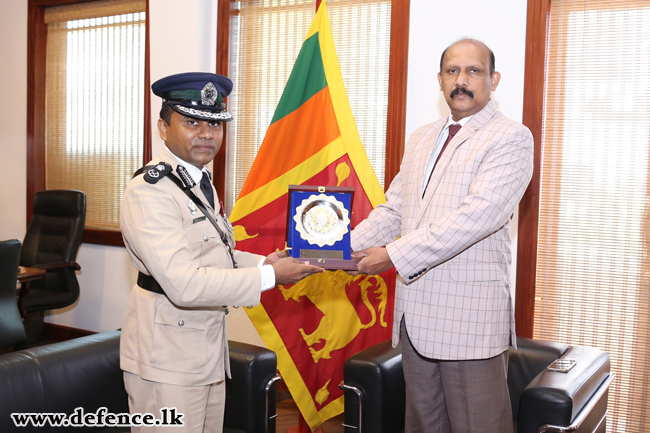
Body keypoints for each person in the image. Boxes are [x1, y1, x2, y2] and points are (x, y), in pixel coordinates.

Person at [119, 72, 324, 433]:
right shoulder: (150, 191)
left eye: (215, 124)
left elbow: (213, 253)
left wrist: (265, 262)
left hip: (205, 348)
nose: (206, 134)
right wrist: (272, 277)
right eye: (191, 122)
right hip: (165, 357)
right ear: (163, 128)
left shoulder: (198, 181)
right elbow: (184, 283)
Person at [351, 39, 534, 432]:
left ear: (493, 80)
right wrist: (333, 249)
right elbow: (395, 209)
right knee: (422, 425)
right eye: (453, 71)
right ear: (439, 79)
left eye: (474, 71)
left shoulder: (510, 137)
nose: (462, 81)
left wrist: (393, 255)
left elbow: (477, 217)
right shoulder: (421, 138)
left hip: (469, 324)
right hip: (415, 321)